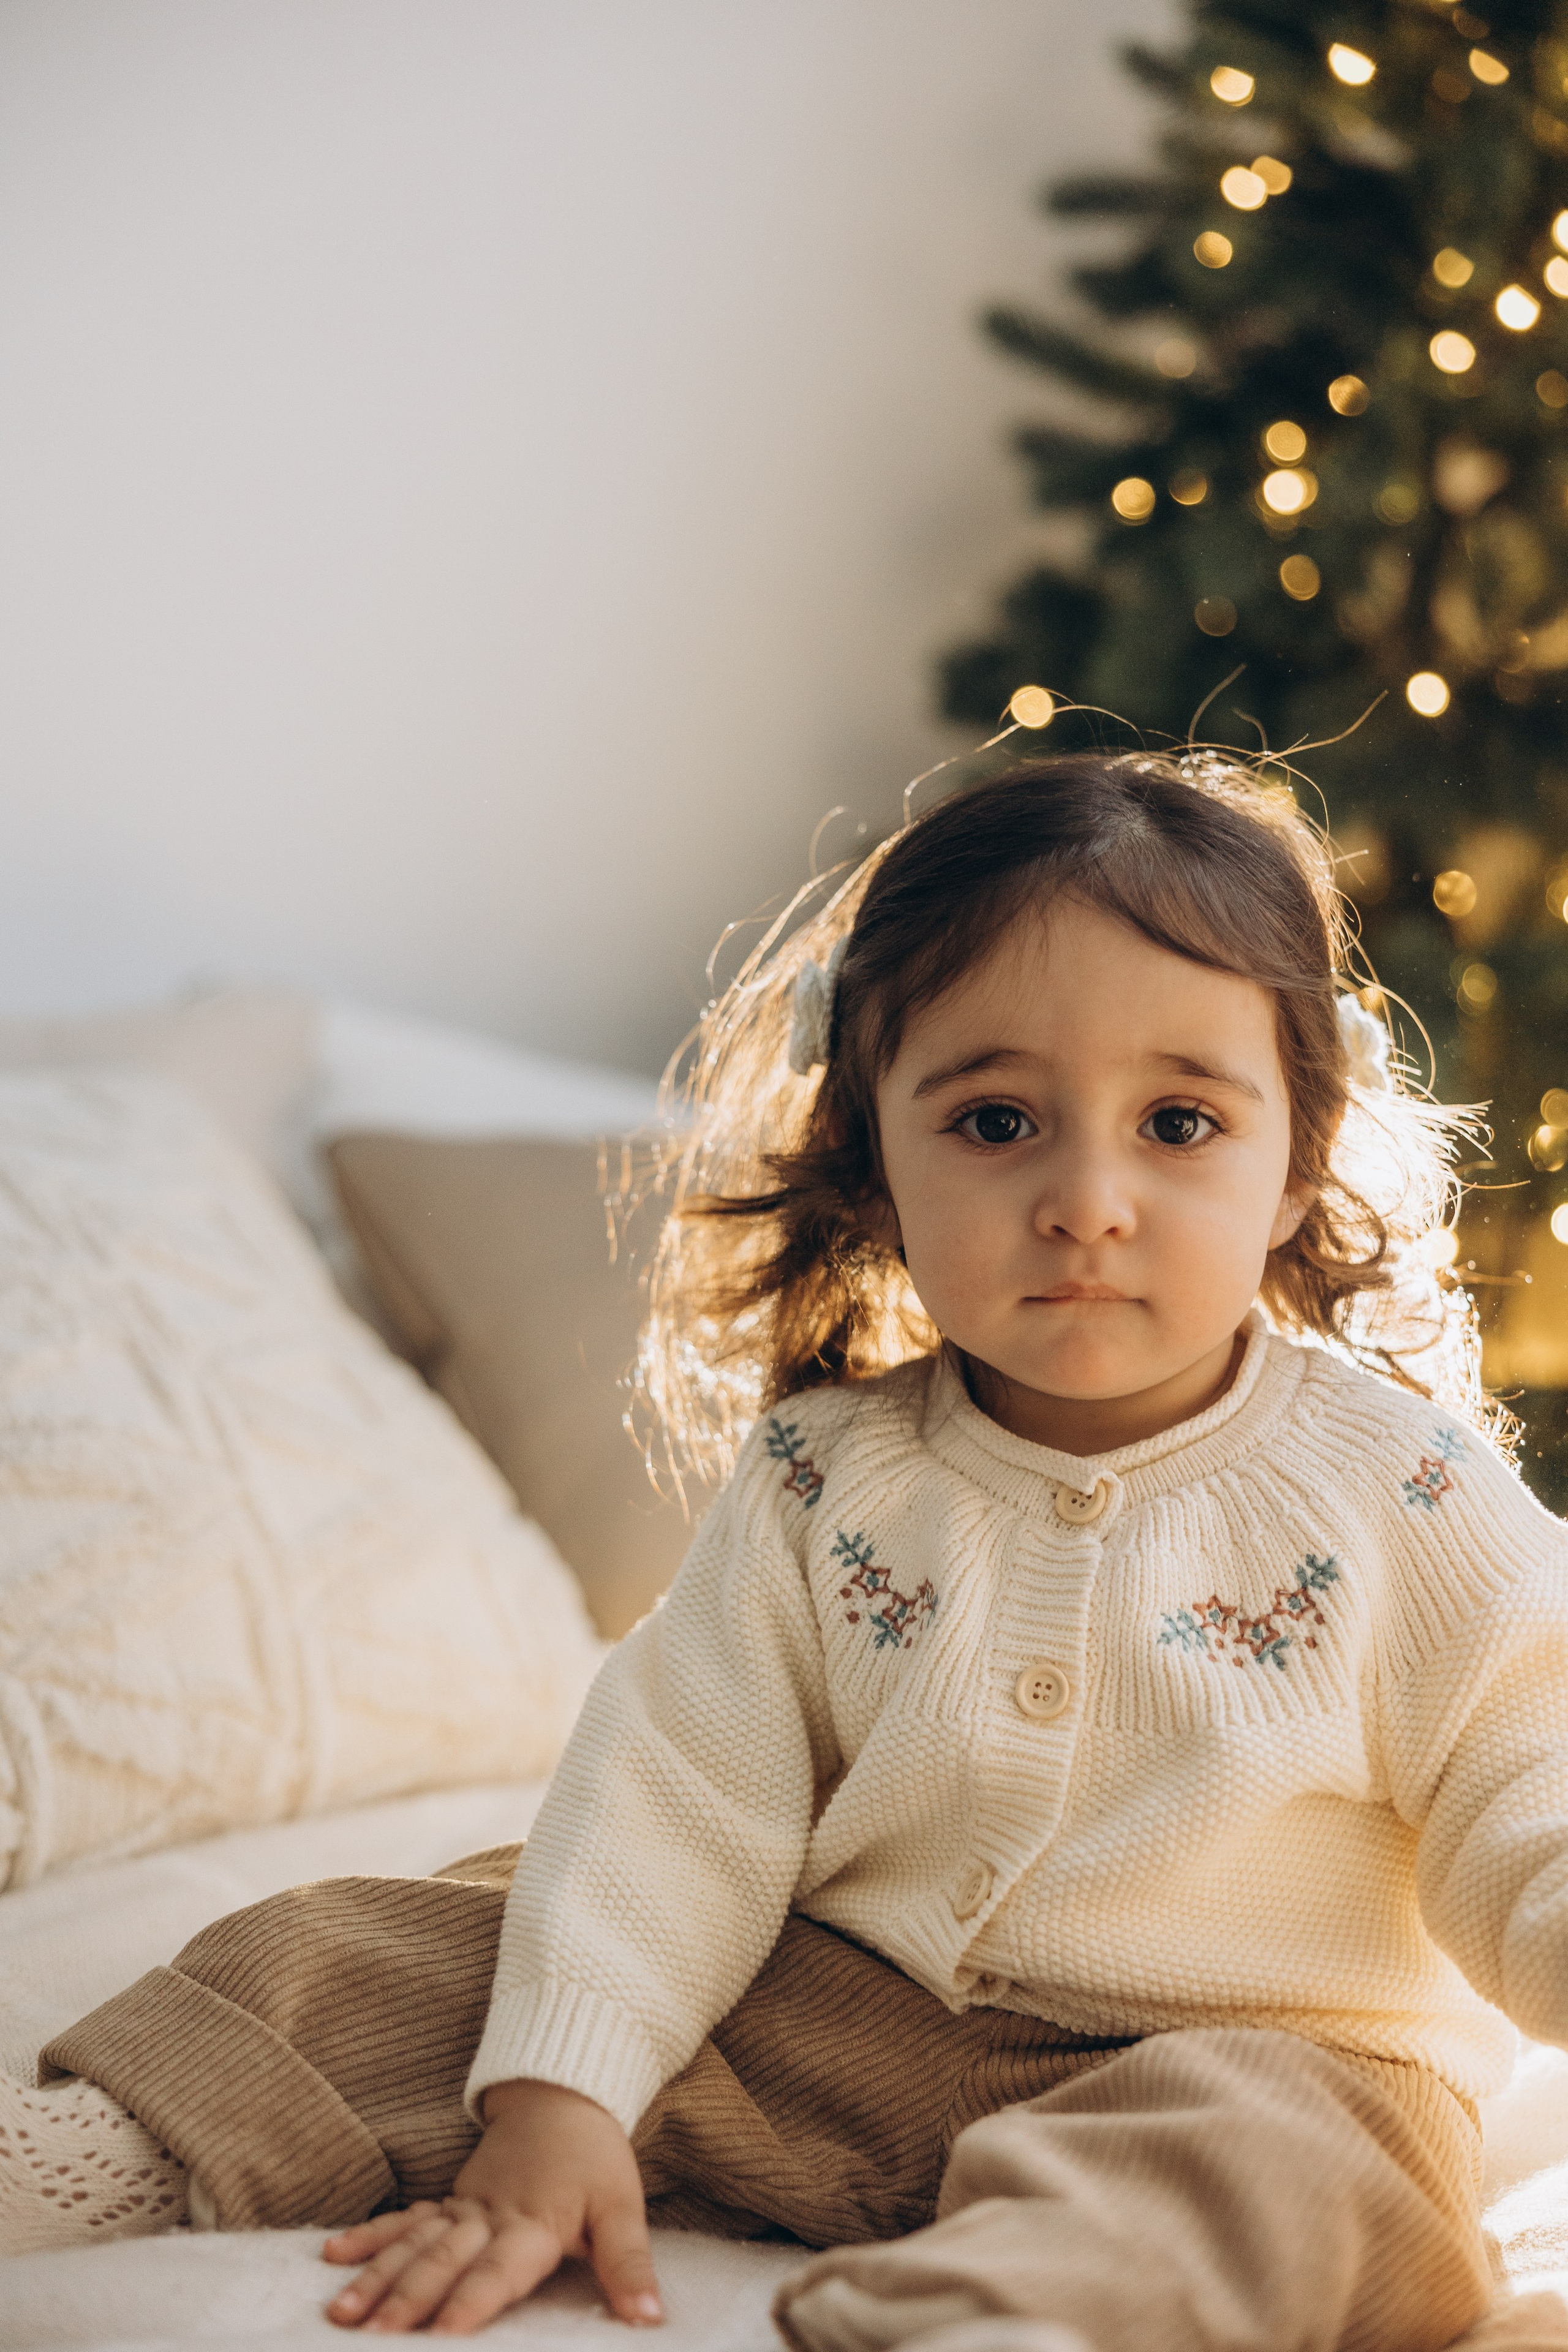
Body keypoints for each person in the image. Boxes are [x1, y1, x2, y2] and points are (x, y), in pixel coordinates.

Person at [5, 748, 1568, 2352]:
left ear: (1295, 1158)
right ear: (876, 1165)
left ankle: (998, 2321)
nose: (1087, 1199)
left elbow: (1535, 1783)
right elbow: (679, 1801)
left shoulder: (1408, 1493)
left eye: (1178, 1121)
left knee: (1300, 2176)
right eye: (996, 1120)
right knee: (380, 1943)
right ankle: (93, 2155)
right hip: (831, 2023)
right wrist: (561, 2093)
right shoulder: (826, 1477)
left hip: (1244, 2056)